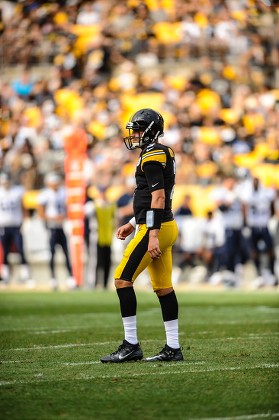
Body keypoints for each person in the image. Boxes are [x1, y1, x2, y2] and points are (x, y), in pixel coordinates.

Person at [101, 108, 183, 363]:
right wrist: (132, 222)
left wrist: (152, 234)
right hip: (163, 224)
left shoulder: (153, 154)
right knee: (163, 288)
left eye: (137, 129)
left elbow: (158, 196)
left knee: (122, 280)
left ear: (149, 130)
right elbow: (151, 197)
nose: (133, 134)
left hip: (156, 228)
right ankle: (173, 348)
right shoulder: (161, 151)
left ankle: (131, 344)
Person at [37, 173, 75, 290]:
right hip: (51, 227)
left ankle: (70, 278)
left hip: (61, 226)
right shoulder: (44, 194)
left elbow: (69, 207)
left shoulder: (63, 192)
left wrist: (63, 216)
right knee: (52, 254)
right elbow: (41, 213)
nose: (55, 185)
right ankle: (53, 278)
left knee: (66, 253)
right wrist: (53, 218)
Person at [0, 172, 33, 286]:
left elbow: (23, 206)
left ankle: (26, 275)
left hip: (16, 225)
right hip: (3, 226)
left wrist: (26, 219)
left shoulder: (17, 191)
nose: (6, 183)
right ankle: (5, 276)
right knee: (5, 252)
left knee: (20, 249)